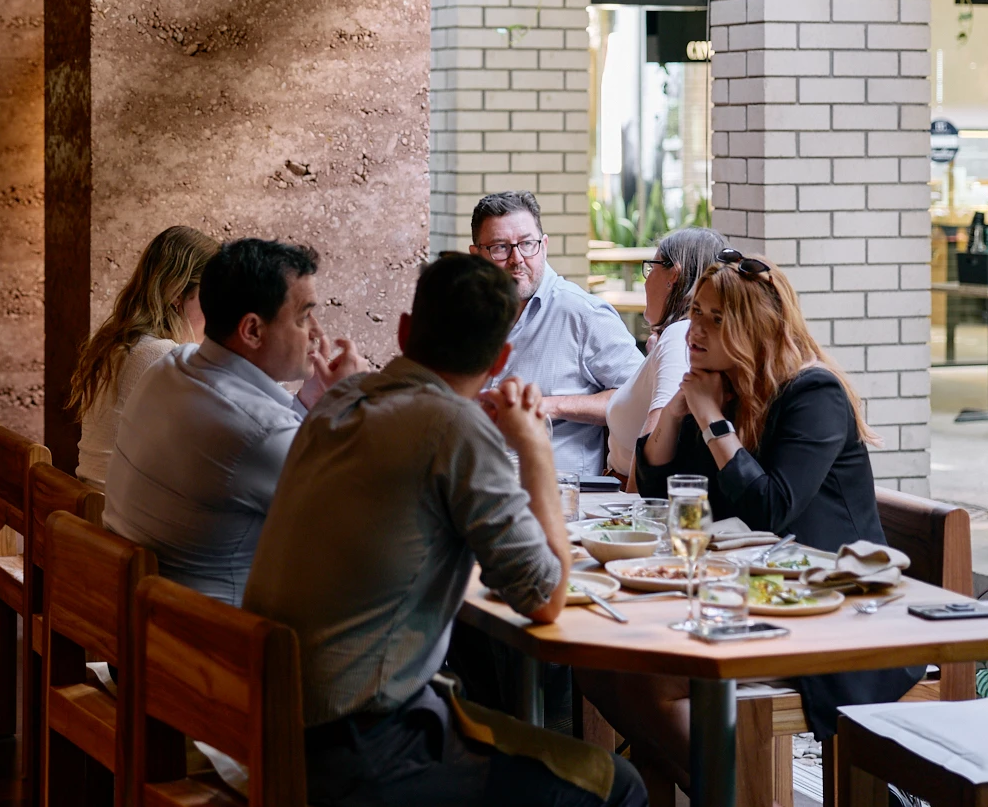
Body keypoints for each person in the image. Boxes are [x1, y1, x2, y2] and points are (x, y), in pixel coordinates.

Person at [245, 253, 645, 807]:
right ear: (500, 358)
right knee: (620, 787)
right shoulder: (455, 428)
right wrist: (533, 447)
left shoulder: (339, 399)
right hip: (362, 749)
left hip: (275, 719)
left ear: (405, 330)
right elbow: (545, 597)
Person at [580, 249, 919, 788]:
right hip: (749, 598)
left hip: (834, 614)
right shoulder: (722, 385)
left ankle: (736, 795)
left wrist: (710, 418)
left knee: (650, 682)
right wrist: (678, 409)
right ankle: (723, 790)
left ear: (753, 328)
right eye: (696, 312)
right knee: (598, 662)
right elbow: (663, 492)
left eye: (716, 319)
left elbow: (770, 511)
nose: (696, 330)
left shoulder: (813, 393)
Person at [104, 238, 361, 605]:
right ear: (252, 330)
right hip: (209, 635)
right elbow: (361, 524)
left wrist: (309, 402)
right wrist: (355, 402)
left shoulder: (171, 366)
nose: (318, 335)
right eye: (304, 317)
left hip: (134, 618)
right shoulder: (260, 433)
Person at [469, 191, 641, 476]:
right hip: (479, 483)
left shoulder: (584, 314)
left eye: (527, 244)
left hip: (564, 492)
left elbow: (640, 399)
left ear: (544, 246)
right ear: (476, 256)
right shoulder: (468, 313)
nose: (517, 259)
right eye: (500, 247)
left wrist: (553, 405)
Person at [70, 225, 219, 488]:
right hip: (113, 509)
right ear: (177, 294)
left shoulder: (119, 343)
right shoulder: (161, 355)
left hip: (88, 501)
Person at [603, 227, 728, 482]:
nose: (646, 280)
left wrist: (630, 506)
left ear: (674, 275)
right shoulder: (679, 340)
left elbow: (654, 437)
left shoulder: (680, 336)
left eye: (651, 268)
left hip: (631, 495)